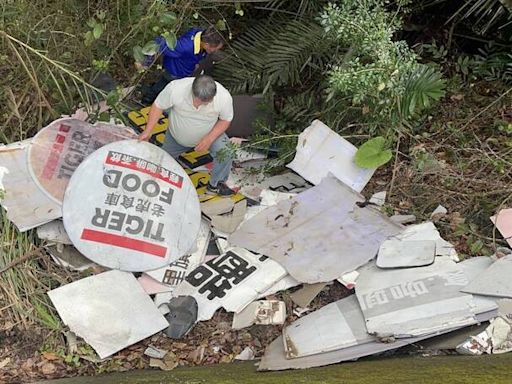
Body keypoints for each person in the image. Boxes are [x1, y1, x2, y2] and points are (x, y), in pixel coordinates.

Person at [139, 75, 235, 196]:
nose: (200, 106)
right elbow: (158, 106)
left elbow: (225, 120)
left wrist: (209, 139)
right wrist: (148, 130)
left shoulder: (223, 97)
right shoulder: (176, 89)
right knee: (158, 165)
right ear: (192, 92)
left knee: (226, 152)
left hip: (209, 133)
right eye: (198, 101)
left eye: (206, 103)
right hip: (177, 137)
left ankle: (216, 184)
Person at [140, 26, 225, 104]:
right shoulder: (185, 46)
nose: (215, 51)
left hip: (185, 69)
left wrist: (194, 62)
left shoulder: (201, 35)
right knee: (162, 87)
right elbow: (158, 43)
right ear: (206, 44)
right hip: (174, 71)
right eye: (215, 49)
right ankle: (147, 100)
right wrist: (145, 61)